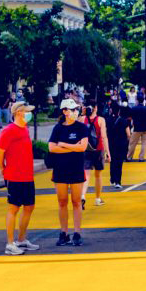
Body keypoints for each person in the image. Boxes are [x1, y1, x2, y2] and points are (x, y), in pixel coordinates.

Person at [0, 101, 39, 255]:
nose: (29, 114)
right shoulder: (9, 131)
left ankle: (21, 240)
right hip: (14, 176)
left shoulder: (24, 129)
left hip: (27, 175)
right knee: (13, 208)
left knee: (29, 207)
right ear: (19, 112)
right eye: (27, 111)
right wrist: (3, 168)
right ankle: (10, 243)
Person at [48, 98, 89, 247]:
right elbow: (52, 148)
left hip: (76, 168)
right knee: (62, 202)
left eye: (76, 109)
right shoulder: (58, 128)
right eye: (72, 110)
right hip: (60, 169)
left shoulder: (81, 127)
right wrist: (73, 146)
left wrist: (64, 145)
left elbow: (82, 147)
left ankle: (77, 233)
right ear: (64, 111)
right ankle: (63, 233)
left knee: (76, 201)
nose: (75, 112)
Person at [81, 102, 110, 209]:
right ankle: (97, 199)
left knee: (86, 174)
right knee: (98, 175)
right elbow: (104, 137)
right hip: (98, 149)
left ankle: (82, 195)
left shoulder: (81, 119)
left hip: (86, 149)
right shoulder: (101, 120)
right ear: (96, 108)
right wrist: (108, 152)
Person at [108, 103, 130, 189]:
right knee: (119, 163)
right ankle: (118, 181)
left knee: (112, 162)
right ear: (119, 111)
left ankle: (112, 178)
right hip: (121, 144)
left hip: (111, 144)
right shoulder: (123, 120)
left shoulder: (108, 120)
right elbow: (128, 134)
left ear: (111, 110)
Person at [127, 93, 146, 161]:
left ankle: (129, 157)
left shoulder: (134, 108)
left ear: (137, 100)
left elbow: (129, 118)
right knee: (144, 144)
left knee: (132, 143)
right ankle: (141, 158)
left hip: (137, 128)